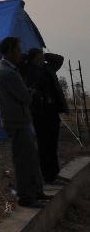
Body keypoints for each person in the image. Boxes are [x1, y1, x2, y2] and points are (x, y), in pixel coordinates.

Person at [0, 37, 48, 207]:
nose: (20, 53)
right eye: (18, 50)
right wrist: (30, 92)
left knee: (30, 158)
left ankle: (35, 192)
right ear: (9, 51)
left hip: (20, 120)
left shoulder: (8, 69)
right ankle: (26, 197)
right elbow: (24, 96)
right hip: (17, 121)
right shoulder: (7, 72)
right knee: (23, 160)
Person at [20, 48, 69, 183]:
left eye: (42, 59)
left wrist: (45, 55)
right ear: (32, 60)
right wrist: (28, 57)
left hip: (53, 112)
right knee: (44, 146)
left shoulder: (48, 68)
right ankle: (47, 176)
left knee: (52, 145)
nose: (41, 61)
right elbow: (18, 62)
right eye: (38, 59)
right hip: (40, 114)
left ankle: (54, 173)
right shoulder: (28, 70)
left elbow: (60, 59)